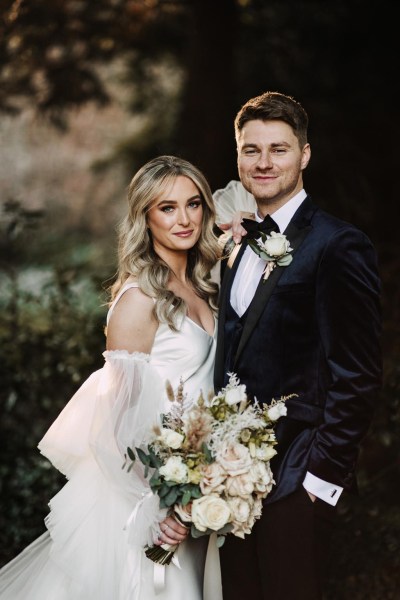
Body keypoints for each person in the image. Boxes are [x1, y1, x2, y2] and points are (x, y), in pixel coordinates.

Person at [0, 155, 224, 600]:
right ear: (145, 217)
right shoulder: (140, 297)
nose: (184, 219)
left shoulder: (206, 285)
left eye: (193, 204)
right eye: (167, 207)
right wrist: (166, 502)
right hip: (152, 494)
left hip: (199, 487)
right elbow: (117, 419)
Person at [213, 91, 382, 600]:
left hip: (296, 480)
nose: (264, 162)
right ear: (238, 155)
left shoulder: (337, 244)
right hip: (226, 481)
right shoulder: (231, 243)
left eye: (279, 149)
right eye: (251, 149)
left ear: (304, 155)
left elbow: (358, 375)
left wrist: (318, 483)